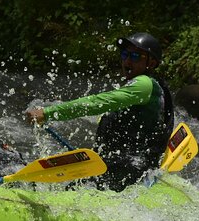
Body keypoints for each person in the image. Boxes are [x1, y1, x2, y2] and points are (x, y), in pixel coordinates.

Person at [24, 32, 174, 191]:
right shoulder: (152, 86)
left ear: (151, 63)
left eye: (136, 56)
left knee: (73, 190)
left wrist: (48, 113)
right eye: (125, 54)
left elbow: (97, 103)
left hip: (131, 168)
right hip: (125, 164)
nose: (127, 61)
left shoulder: (144, 84)